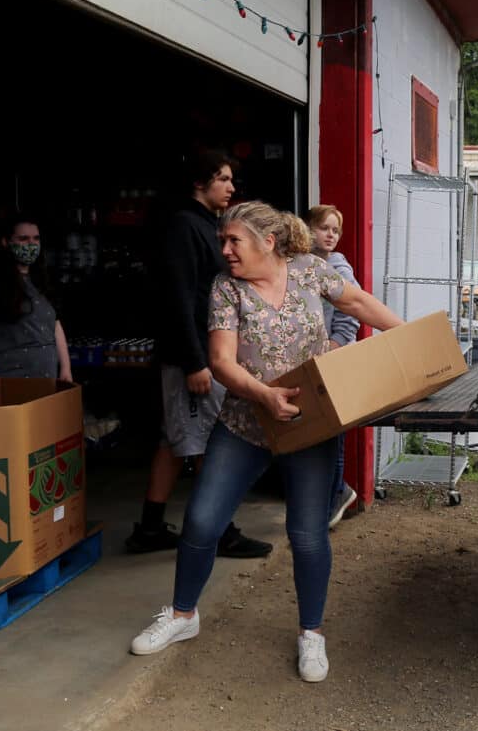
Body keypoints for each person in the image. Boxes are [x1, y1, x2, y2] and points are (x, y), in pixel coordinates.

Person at [130, 201, 403, 683]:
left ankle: (311, 634)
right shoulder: (225, 289)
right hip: (245, 423)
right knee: (202, 519)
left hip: (308, 425)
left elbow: (357, 302)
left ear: (268, 242)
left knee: (307, 533)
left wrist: (406, 338)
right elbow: (221, 360)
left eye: (234, 241)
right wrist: (263, 394)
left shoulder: (310, 271)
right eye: (222, 242)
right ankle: (182, 616)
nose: (225, 250)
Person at [126, 151, 271, 560]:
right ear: (199, 183)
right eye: (222, 179)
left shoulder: (210, 225)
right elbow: (179, 298)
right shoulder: (184, 227)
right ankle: (220, 531)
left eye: (230, 179)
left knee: (174, 442)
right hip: (193, 358)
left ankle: (150, 528)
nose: (231, 187)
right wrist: (195, 362)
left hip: (199, 354)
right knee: (209, 443)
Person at [0, 214, 72, 389]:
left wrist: (66, 370)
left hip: (46, 384)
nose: (31, 244)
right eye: (23, 238)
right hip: (11, 384)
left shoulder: (42, 280)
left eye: (36, 238)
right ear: (6, 242)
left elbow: (55, 326)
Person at [305, 204, 359, 527]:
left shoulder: (338, 266)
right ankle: (331, 494)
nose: (330, 235)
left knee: (333, 433)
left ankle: (336, 496)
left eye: (336, 230)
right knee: (317, 432)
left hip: (334, 360)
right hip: (312, 363)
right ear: (308, 229)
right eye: (324, 228)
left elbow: (351, 311)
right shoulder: (302, 264)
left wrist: (335, 345)